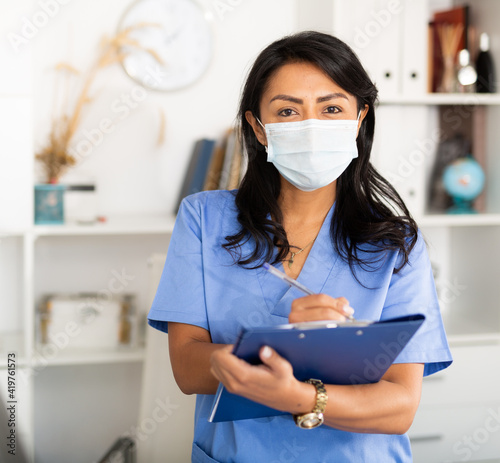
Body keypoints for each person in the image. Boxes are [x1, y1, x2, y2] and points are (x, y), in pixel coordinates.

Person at [148, 31, 452, 463]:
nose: (312, 127)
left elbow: (400, 405)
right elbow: (188, 368)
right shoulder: (204, 220)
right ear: (259, 127)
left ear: (360, 119)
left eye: (331, 109)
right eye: (288, 111)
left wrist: (298, 394)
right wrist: (289, 345)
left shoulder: (395, 245)